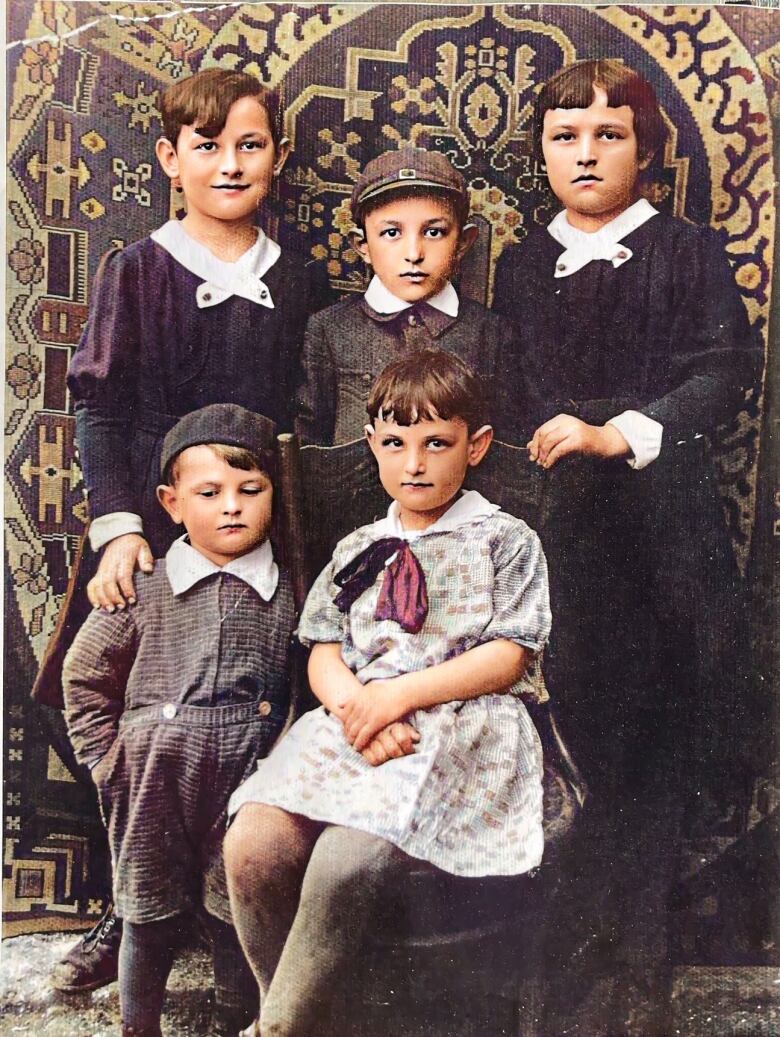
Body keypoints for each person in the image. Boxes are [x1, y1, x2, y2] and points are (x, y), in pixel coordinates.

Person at [44, 66, 328, 992]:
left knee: (257, 709)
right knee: (135, 713)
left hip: (263, 527)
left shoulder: (300, 278)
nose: (230, 163)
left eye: (250, 145)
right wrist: (121, 526)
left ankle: (231, 907)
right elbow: (102, 409)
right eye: (207, 147)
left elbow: (310, 411)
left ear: (277, 158)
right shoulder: (140, 271)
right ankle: (129, 906)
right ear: (171, 160)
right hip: (161, 527)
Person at [492, 59, 763, 1027]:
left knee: (654, 744)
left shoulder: (685, 252)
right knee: (572, 736)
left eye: (608, 135)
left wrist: (622, 431)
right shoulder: (524, 264)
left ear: (647, 149)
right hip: (563, 539)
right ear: (541, 155)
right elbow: (509, 381)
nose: (587, 153)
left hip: (663, 537)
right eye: (566, 137)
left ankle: (642, 972)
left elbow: (726, 369)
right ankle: (564, 966)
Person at [225, 349, 551, 1037]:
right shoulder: (360, 548)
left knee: (348, 857)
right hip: (357, 719)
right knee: (253, 841)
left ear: (477, 446)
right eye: (396, 443)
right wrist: (354, 707)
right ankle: (296, 1013)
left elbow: (508, 655)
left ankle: (278, 1030)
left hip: (460, 727)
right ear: (374, 445)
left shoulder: (504, 539)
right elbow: (322, 648)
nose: (415, 463)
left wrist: (397, 699)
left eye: (438, 443)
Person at [62, 404, 295, 1037]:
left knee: (232, 910)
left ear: (275, 494)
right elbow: (83, 677)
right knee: (147, 908)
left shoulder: (288, 593)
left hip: (245, 782)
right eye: (209, 493)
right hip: (152, 781)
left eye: (251, 490)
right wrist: (107, 761)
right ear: (171, 503)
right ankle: (138, 1026)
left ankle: (231, 1019)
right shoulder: (146, 586)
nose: (231, 508)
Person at [295, 146, 519, 445]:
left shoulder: (490, 333)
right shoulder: (329, 330)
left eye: (434, 232)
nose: (413, 254)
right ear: (362, 245)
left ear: (464, 241)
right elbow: (310, 443)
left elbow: (505, 441)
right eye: (391, 233)